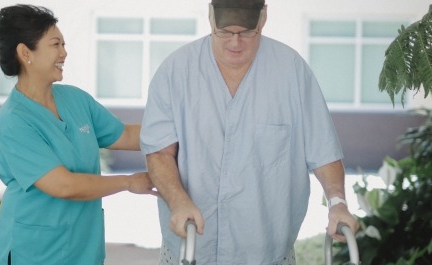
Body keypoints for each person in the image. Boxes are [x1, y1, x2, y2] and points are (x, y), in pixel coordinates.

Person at [140, 0, 359, 264]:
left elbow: (323, 150)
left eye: (246, 32)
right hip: (191, 249)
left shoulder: (292, 72)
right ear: (210, 17)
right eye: (225, 32)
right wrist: (177, 201)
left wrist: (338, 203)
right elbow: (160, 153)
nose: (235, 43)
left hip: (267, 252)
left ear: (263, 17)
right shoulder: (175, 71)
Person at [0, 4, 156, 265]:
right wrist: (127, 182)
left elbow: (124, 134)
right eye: (55, 44)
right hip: (36, 252)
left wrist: (181, 131)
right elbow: (63, 185)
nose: (64, 53)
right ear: (25, 53)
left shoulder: (75, 99)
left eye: (64, 44)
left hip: (83, 247)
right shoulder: (14, 120)